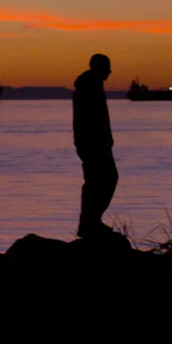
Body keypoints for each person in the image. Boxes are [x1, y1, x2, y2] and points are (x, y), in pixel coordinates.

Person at [73, 53, 117, 238]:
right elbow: (92, 117)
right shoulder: (89, 86)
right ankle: (90, 222)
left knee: (100, 180)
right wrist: (101, 140)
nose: (109, 72)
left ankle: (91, 221)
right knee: (102, 180)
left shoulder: (91, 85)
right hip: (93, 143)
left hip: (95, 142)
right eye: (107, 68)